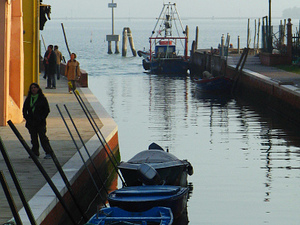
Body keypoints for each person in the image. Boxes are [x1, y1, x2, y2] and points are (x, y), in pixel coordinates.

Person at [23, 83, 52, 159]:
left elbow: (47, 110)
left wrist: (42, 118)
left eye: (35, 87)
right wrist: (27, 118)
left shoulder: (42, 98)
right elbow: (24, 109)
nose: (33, 89)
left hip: (40, 122)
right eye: (32, 88)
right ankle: (35, 152)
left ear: (38, 89)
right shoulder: (29, 99)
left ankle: (48, 152)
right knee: (34, 138)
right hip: (31, 122)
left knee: (43, 137)